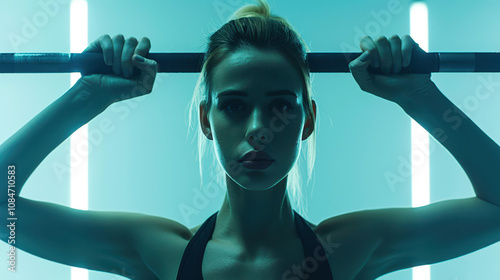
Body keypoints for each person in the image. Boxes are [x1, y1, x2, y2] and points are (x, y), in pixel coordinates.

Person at [1, 0, 500, 279]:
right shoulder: (163, 253)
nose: (260, 128)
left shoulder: (345, 248)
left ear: (307, 122)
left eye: (282, 105)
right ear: (205, 120)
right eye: (235, 106)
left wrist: (420, 96)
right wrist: (87, 96)